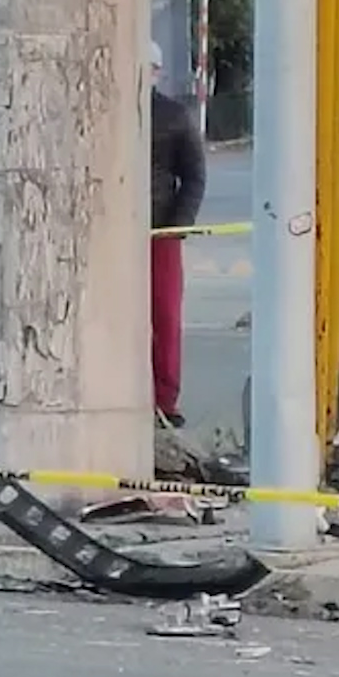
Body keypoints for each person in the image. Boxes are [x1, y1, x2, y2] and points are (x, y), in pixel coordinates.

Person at [149, 40, 207, 428]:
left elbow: (194, 177)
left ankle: (164, 402)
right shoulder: (109, 110)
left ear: (156, 71)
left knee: (164, 316)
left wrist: (176, 226)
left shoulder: (174, 115)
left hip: (160, 231)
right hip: (112, 232)